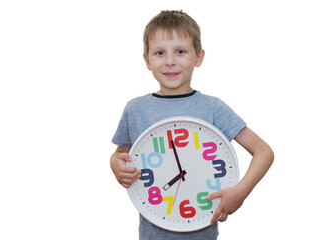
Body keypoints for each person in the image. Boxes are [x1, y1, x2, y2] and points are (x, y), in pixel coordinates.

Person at [110, 10, 274, 240]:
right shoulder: (135, 109)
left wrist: (240, 192)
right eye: (159, 53)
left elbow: (263, 151)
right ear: (147, 60)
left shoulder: (213, 108)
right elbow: (120, 154)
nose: (170, 61)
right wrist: (117, 167)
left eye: (180, 51)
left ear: (198, 57)